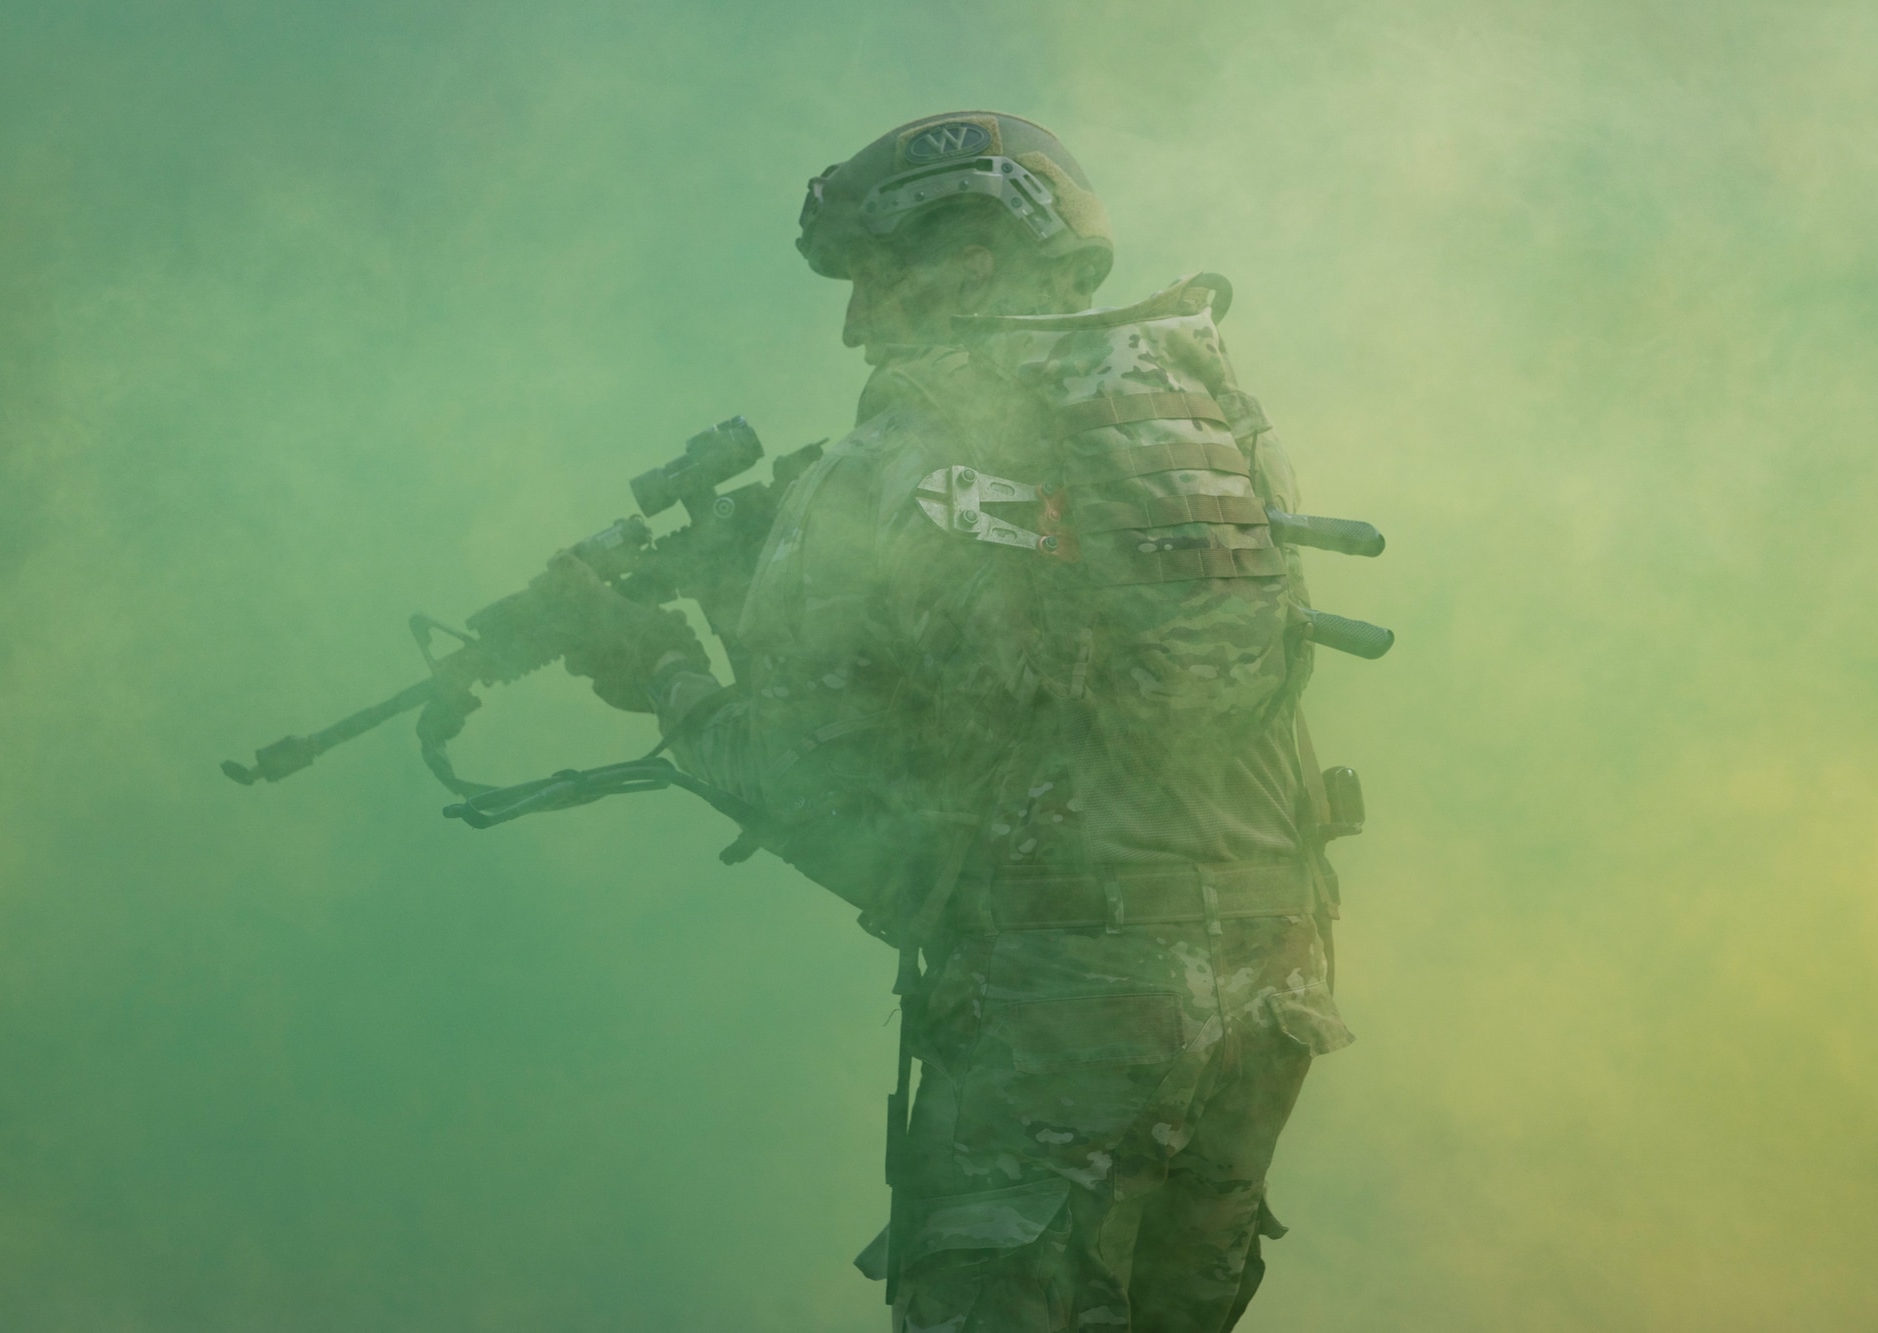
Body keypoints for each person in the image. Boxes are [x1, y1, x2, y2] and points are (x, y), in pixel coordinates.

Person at [555, 111, 1357, 1333]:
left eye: (874, 277)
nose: (853, 322)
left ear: (969, 264)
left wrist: (658, 668)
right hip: (1271, 991)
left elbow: (812, 794)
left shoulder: (893, 464)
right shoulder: (1207, 412)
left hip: (1067, 1009)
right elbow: (1053, 670)